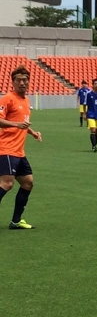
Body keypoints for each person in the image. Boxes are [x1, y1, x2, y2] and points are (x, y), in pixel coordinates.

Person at [0, 65, 42, 229]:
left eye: (25, 80)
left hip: (19, 151)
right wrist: (16, 125)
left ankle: (16, 221)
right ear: (13, 82)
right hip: (6, 149)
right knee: (7, 184)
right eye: (19, 80)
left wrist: (32, 132)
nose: (22, 83)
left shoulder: (26, 101)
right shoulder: (7, 99)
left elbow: (22, 123)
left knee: (27, 183)